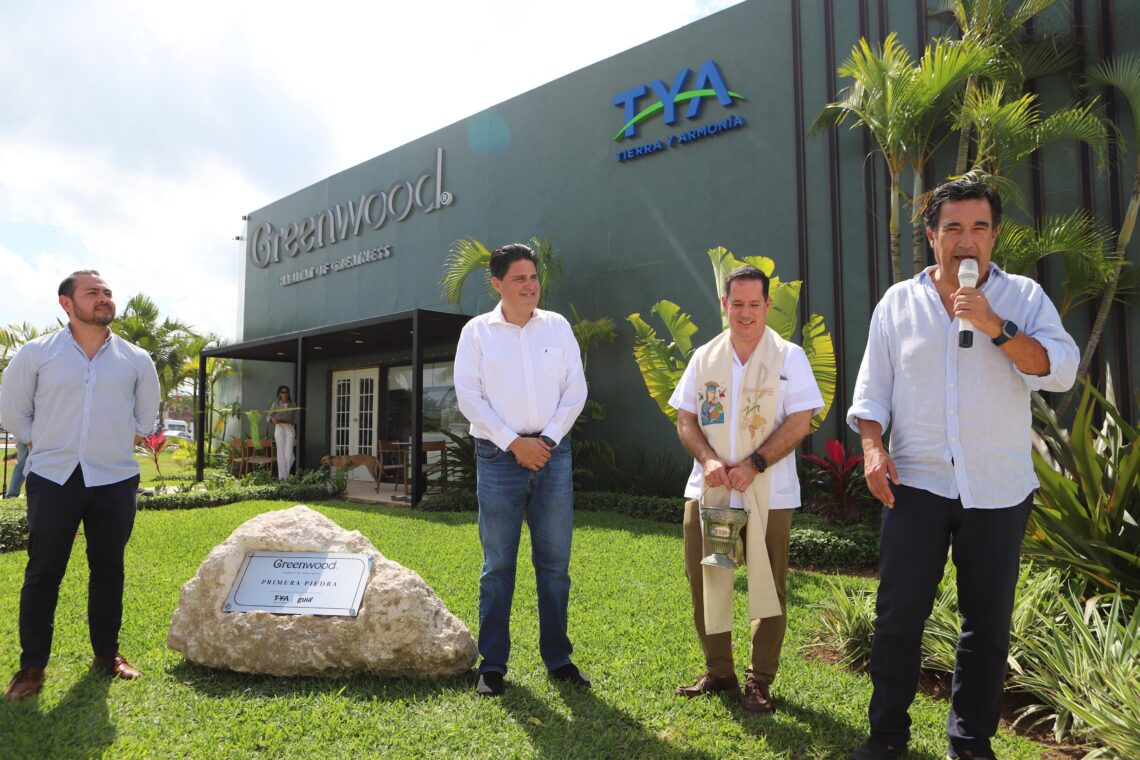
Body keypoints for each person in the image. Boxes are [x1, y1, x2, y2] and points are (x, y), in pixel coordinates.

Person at [846, 180, 1079, 760]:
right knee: (898, 615)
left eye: (979, 228)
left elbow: (1060, 369)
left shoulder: (1023, 297)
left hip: (997, 487)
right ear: (932, 237)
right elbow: (872, 392)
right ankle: (887, 737)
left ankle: (971, 743)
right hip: (915, 484)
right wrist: (872, 449)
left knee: (987, 625)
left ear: (994, 236)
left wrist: (997, 325)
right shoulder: (897, 304)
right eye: (953, 228)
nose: (966, 240)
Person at [0, 270, 161, 701]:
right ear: (66, 303)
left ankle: (106, 656)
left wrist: (115, 442)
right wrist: (43, 440)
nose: (104, 298)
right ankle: (31, 668)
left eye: (107, 292)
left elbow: (145, 418)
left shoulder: (136, 359)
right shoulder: (36, 354)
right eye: (93, 292)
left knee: (108, 569)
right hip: (53, 477)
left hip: (114, 478)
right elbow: (12, 411)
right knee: (43, 572)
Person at [670, 265, 823, 714]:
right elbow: (686, 418)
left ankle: (760, 680)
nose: (746, 312)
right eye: (737, 303)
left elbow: (801, 421)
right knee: (707, 577)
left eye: (755, 303)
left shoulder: (789, 357)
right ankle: (719, 671)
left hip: (769, 491)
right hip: (711, 490)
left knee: (769, 584)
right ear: (725, 304)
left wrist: (756, 463)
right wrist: (709, 460)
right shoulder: (705, 357)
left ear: (767, 304)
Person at [453, 243, 589, 697]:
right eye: (519, 278)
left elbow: (575, 390)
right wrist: (514, 443)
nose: (530, 285)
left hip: (553, 455)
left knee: (555, 566)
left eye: (533, 277)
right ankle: (493, 665)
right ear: (497, 283)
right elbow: (469, 397)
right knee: (497, 566)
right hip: (498, 457)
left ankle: (559, 659)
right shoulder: (477, 333)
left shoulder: (557, 326)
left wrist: (545, 441)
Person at [268, 385, 296, 481]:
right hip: (279, 428)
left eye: (286, 392)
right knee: (280, 454)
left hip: (289, 428)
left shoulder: (293, 404)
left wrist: (292, 421)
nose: (285, 394)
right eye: (283, 392)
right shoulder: (275, 404)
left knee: (289, 456)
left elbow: (296, 418)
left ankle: (285, 476)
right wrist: (273, 420)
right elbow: (268, 416)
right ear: (279, 394)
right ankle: (283, 479)